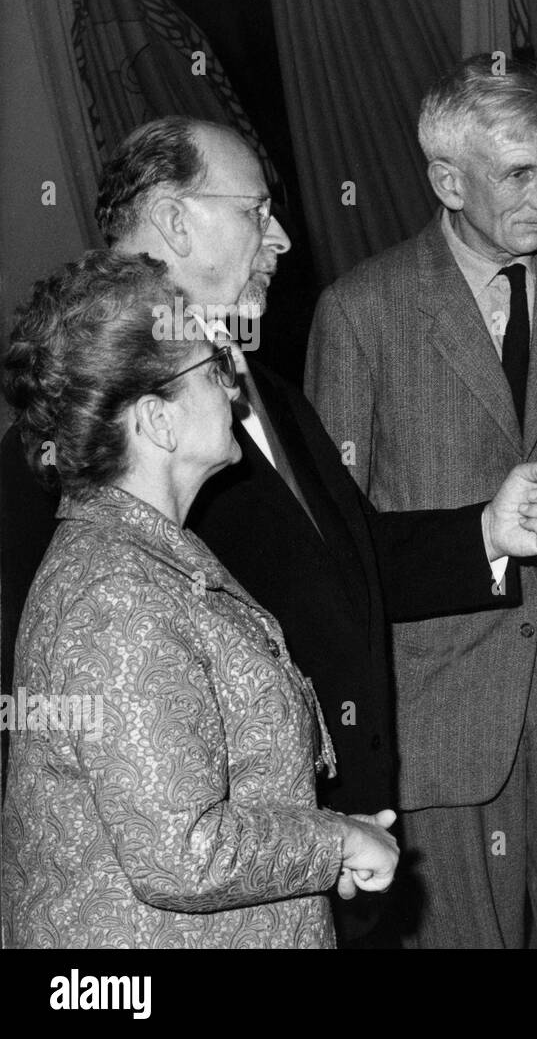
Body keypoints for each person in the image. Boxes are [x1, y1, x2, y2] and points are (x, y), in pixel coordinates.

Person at [0, 116, 537, 945]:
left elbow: (343, 564)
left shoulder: (258, 382)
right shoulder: (64, 466)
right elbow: (69, 756)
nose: (280, 237)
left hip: (321, 867)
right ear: (176, 220)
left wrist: (486, 534)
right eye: (256, 211)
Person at [306, 55, 537, 949]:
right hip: (438, 704)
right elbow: (334, 552)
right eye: (517, 175)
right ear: (445, 179)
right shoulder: (362, 313)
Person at [0, 251, 399, 947]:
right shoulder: (115, 595)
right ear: (157, 422)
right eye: (215, 366)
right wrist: (335, 842)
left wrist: (324, 843)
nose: (234, 385)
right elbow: (180, 854)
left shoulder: (147, 549)